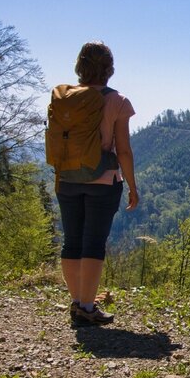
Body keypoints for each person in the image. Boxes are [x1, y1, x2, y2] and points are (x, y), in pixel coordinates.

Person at [56, 42, 139, 325]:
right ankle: (87, 307)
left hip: (66, 178)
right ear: (109, 69)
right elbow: (124, 150)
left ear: (80, 66)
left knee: (72, 242)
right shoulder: (117, 101)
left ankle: (78, 303)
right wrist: (132, 186)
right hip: (102, 181)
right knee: (93, 243)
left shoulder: (64, 98)